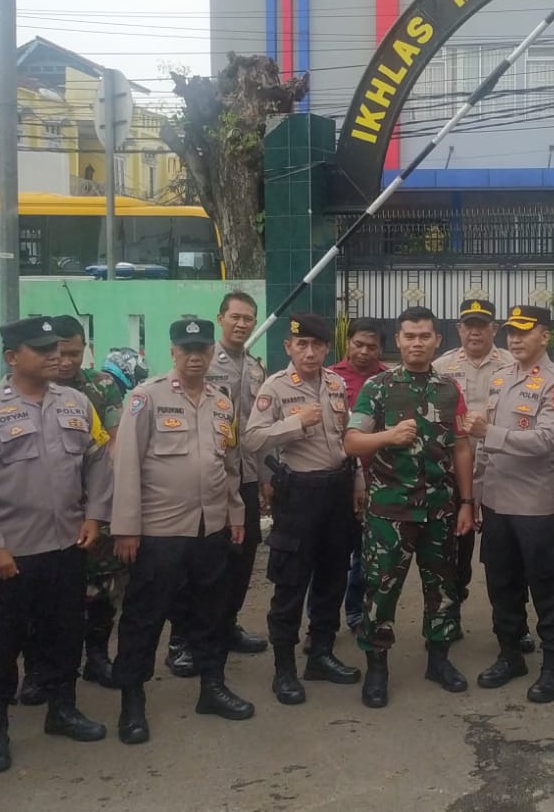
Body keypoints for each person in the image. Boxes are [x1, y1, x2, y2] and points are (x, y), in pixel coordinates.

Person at [0, 317, 114, 774]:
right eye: (41, 349)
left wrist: (95, 515)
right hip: (9, 555)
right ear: (12, 357)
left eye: (57, 348)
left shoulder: (77, 403)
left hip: (65, 547)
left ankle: (62, 711)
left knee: (64, 635)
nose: (53, 356)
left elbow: (99, 459)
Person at [110, 317, 254, 744]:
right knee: (144, 617)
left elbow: (229, 465)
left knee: (211, 612)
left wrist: (236, 515)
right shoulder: (145, 398)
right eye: (186, 349)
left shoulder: (222, 402)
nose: (195, 357)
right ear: (172, 352)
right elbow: (126, 466)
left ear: (211, 353)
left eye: (202, 350)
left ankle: (212, 686)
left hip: (210, 529)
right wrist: (126, 529)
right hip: (159, 531)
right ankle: (132, 701)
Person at [344, 306, 475, 708]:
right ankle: (377, 668)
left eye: (424, 336)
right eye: (409, 336)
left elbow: (461, 447)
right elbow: (352, 442)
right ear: (398, 341)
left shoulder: (450, 388)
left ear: (437, 341)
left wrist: (467, 502)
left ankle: (439, 661)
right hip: (389, 514)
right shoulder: (378, 387)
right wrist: (387, 437)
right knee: (381, 592)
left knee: (443, 591)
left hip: (439, 511)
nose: (417, 343)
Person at [243, 312, 364, 705]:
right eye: (302, 345)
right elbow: (253, 439)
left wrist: (358, 480)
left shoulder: (335, 383)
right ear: (288, 347)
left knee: (332, 577)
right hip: (299, 495)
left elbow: (346, 437)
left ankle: (321, 654)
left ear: (327, 348)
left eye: (317, 345)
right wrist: (294, 424)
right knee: (291, 583)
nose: (309, 352)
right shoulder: (275, 388)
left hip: (337, 489)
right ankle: (284, 669)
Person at [468, 305, 554, 703]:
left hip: (532, 505)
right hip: (496, 501)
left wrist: (488, 432)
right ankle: (510, 653)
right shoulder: (500, 378)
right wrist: (476, 495)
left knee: (545, 585)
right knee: (502, 584)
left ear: (544, 336)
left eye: (524, 332)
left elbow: (546, 440)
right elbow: (482, 448)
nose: (514, 338)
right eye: (511, 332)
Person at [166, 290, 270, 677]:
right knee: (197, 563)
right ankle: (182, 641)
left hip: (244, 476)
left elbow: (256, 431)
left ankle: (224, 627)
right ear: (221, 318)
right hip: (204, 482)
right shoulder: (204, 364)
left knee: (242, 559)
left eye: (249, 318)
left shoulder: (256, 369)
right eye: (236, 317)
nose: (242, 324)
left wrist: (265, 479)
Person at [32, 315, 128, 695]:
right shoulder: (31, 388)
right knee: (45, 592)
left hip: (96, 505)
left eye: (74, 352)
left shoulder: (102, 387)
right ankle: (41, 669)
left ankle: (97, 656)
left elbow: (115, 442)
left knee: (103, 586)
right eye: (60, 353)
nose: (67, 361)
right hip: (45, 510)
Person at [432, 299, 524, 648]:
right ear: (458, 329)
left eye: (482, 324)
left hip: (502, 469)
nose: (475, 330)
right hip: (457, 473)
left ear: (493, 329)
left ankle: (516, 627)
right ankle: (451, 614)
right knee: (456, 549)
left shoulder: (512, 364)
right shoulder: (441, 367)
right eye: (468, 324)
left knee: (508, 554)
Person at [330, 318, 386, 631]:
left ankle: (355, 612)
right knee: (330, 555)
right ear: (348, 342)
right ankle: (321, 622)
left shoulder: (389, 381)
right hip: (337, 480)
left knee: (366, 557)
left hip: (377, 481)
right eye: (358, 344)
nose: (364, 352)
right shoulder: (331, 379)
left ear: (381, 348)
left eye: (372, 346)